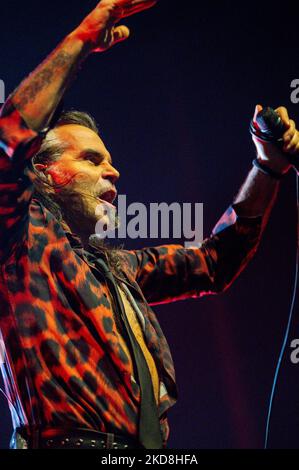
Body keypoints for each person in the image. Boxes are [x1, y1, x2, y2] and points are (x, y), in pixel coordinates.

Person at [0, 0, 298, 450]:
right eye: (91, 159)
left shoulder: (118, 267)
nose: (113, 172)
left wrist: (267, 166)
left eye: (111, 161)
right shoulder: (21, 241)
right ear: (43, 173)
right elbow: (10, 138)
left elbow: (215, 263)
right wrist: (83, 38)